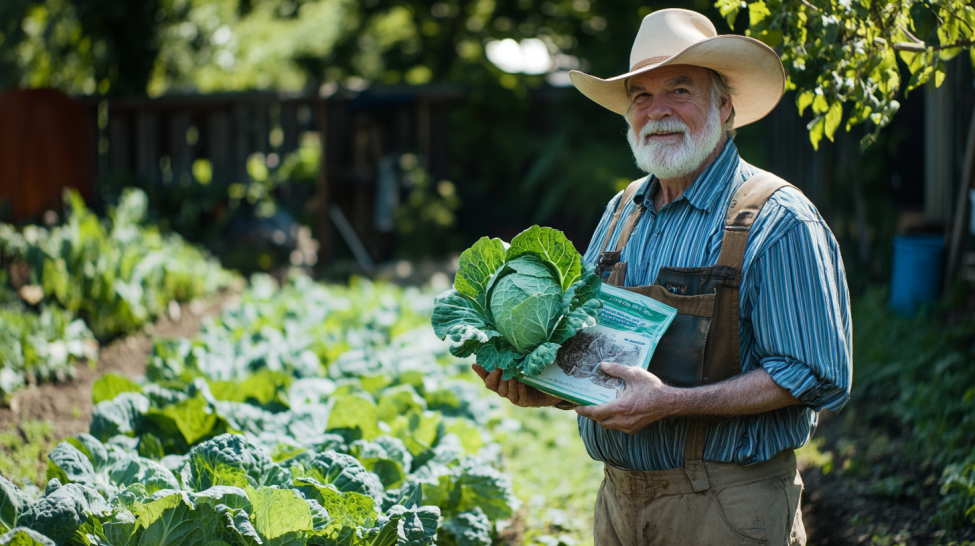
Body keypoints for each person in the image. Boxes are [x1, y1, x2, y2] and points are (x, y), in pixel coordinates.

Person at [472, 8, 852, 546]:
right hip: (618, 504)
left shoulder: (778, 218)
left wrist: (672, 402)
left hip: (728, 507)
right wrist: (548, 389)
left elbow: (816, 372)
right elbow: (591, 349)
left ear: (724, 106)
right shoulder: (622, 211)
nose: (658, 112)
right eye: (642, 97)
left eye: (679, 91)